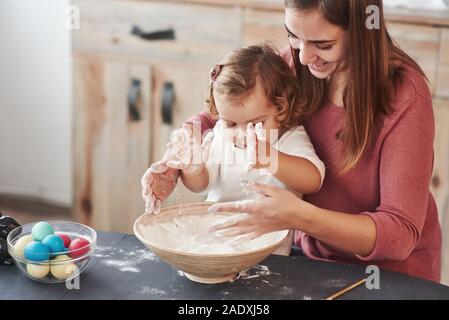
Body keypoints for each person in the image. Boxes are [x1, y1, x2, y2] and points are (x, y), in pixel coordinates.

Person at [141, 0, 442, 282]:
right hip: (308, 261)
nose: (302, 56)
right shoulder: (298, 65)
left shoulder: (404, 95)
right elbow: (223, 113)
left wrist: (301, 218)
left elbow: (399, 234)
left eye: (322, 44)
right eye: (293, 36)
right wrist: (177, 156)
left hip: (385, 277)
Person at [160, 44, 325, 254]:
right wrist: (194, 171)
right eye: (230, 123)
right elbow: (202, 185)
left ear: (281, 108)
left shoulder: (288, 139)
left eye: (255, 123)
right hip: (217, 246)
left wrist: (270, 158)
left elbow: (313, 180)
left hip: (269, 254)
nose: (242, 135)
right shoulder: (220, 134)